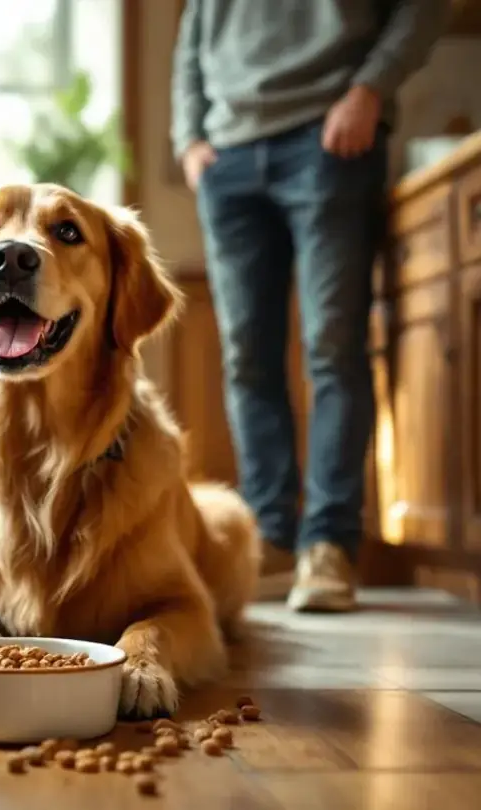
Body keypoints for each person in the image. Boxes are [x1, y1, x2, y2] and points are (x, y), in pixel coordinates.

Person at [171, 0, 450, 612]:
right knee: (247, 358)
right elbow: (194, 31)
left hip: (331, 137)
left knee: (333, 347)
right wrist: (188, 137)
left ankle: (328, 545)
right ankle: (271, 538)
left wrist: (369, 89)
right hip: (227, 158)